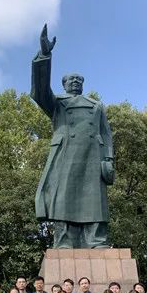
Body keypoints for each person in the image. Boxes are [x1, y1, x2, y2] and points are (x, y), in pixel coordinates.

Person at [32, 24, 114, 248]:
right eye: (71, 79)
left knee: (95, 199)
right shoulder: (58, 104)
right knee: (64, 197)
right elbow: (39, 92)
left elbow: (106, 134)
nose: (75, 81)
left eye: (79, 79)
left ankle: (96, 240)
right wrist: (45, 55)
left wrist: (109, 159)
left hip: (92, 155)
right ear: (64, 84)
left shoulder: (96, 106)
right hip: (66, 152)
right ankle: (65, 240)